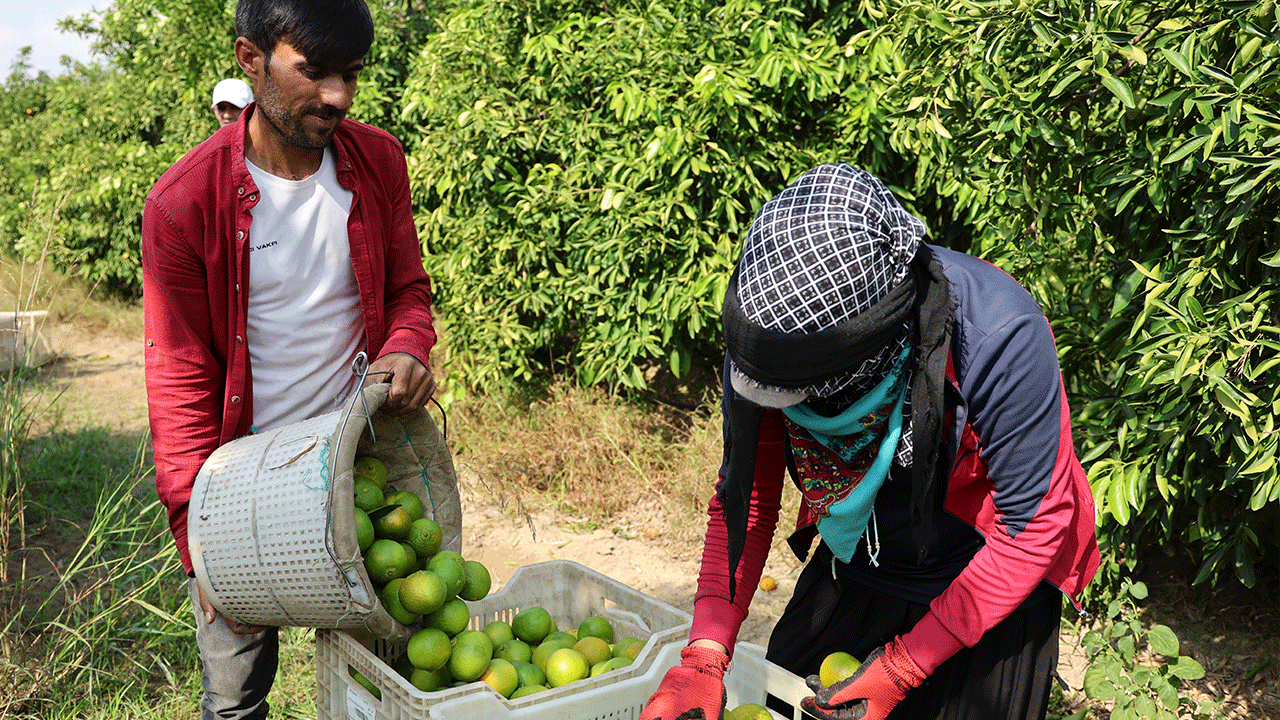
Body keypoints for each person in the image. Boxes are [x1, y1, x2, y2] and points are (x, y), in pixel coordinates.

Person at [640, 164, 1099, 720]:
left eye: (798, 396)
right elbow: (748, 501)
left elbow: (1033, 529)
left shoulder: (995, 335)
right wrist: (706, 655)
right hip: (861, 548)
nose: (784, 406)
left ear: (863, 355)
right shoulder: (767, 344)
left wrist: (907, 664)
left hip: (986, 574)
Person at [142, 1, 437, 718]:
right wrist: (201, 550)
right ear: (250, 59)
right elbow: (179, 381)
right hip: (240, 494)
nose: (337, 96)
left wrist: (407, 346)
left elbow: (408, 291)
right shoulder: (185, 205)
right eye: (314, 73)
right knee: (236, 696)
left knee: (384, 683)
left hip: (356, 472)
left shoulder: (377, 161)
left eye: (352, 75)